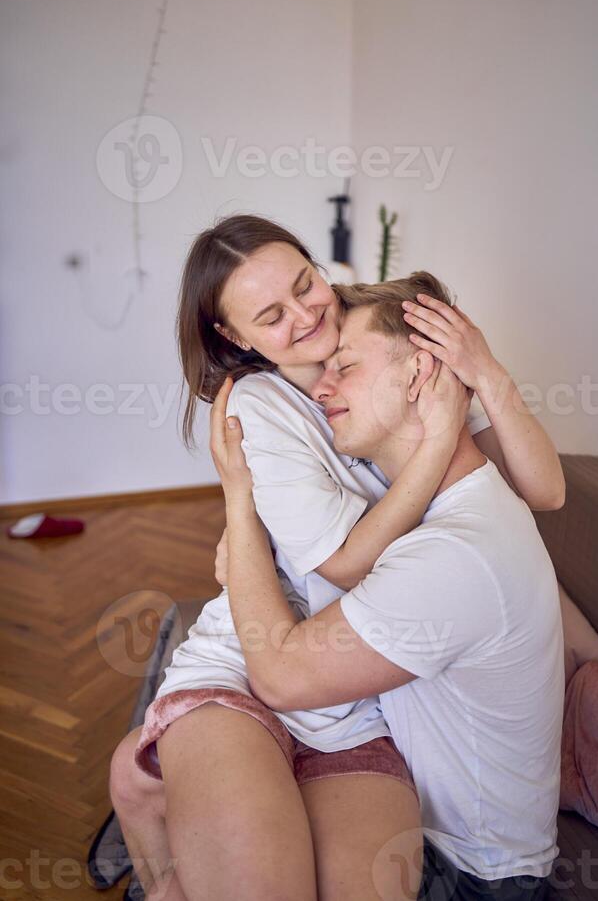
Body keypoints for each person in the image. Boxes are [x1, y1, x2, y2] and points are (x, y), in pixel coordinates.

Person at [109, 215, 564, 901]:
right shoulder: (262, 407)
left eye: (305, 284)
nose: (304, 316)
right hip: (265, 659)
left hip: (350, 691)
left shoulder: (367, 338)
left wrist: (485, 374)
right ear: (235, 337)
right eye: (270, 314)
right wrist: (239, 505)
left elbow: (544, 492)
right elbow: (346, 565)